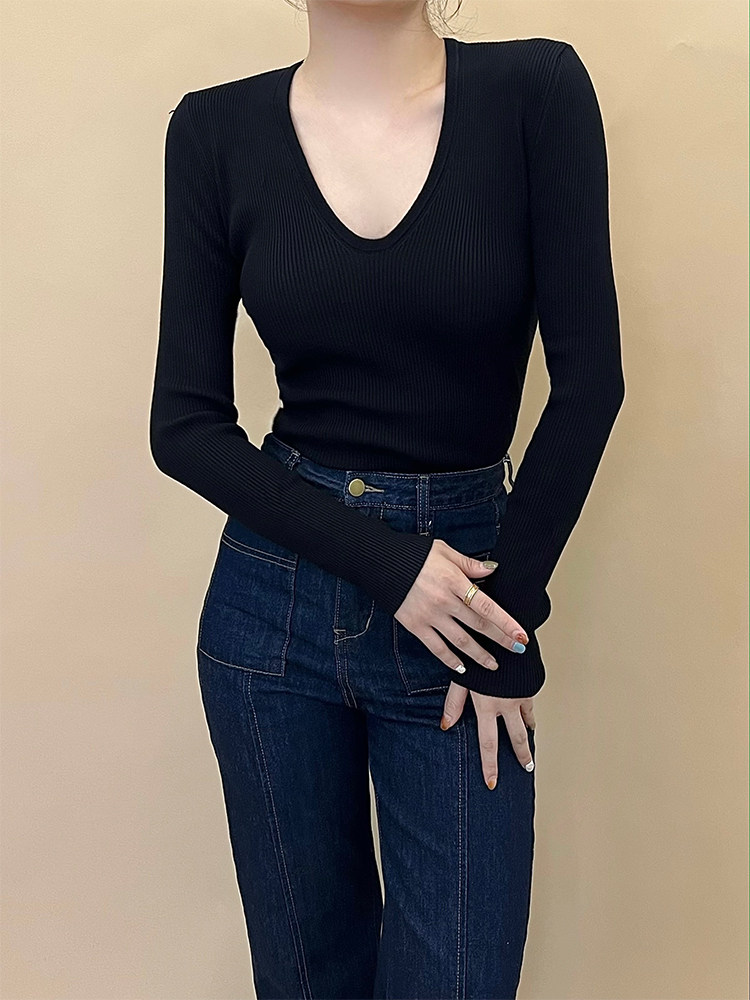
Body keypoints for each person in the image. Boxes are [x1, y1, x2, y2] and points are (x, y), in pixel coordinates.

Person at [149, 0, 625, 995]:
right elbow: (183, 424)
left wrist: (507, 620)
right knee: (306, 979)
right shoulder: (213, 129)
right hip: (271, 611)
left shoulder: (534, 92)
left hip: (467, 595)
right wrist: (387, 563)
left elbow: (591, 386)